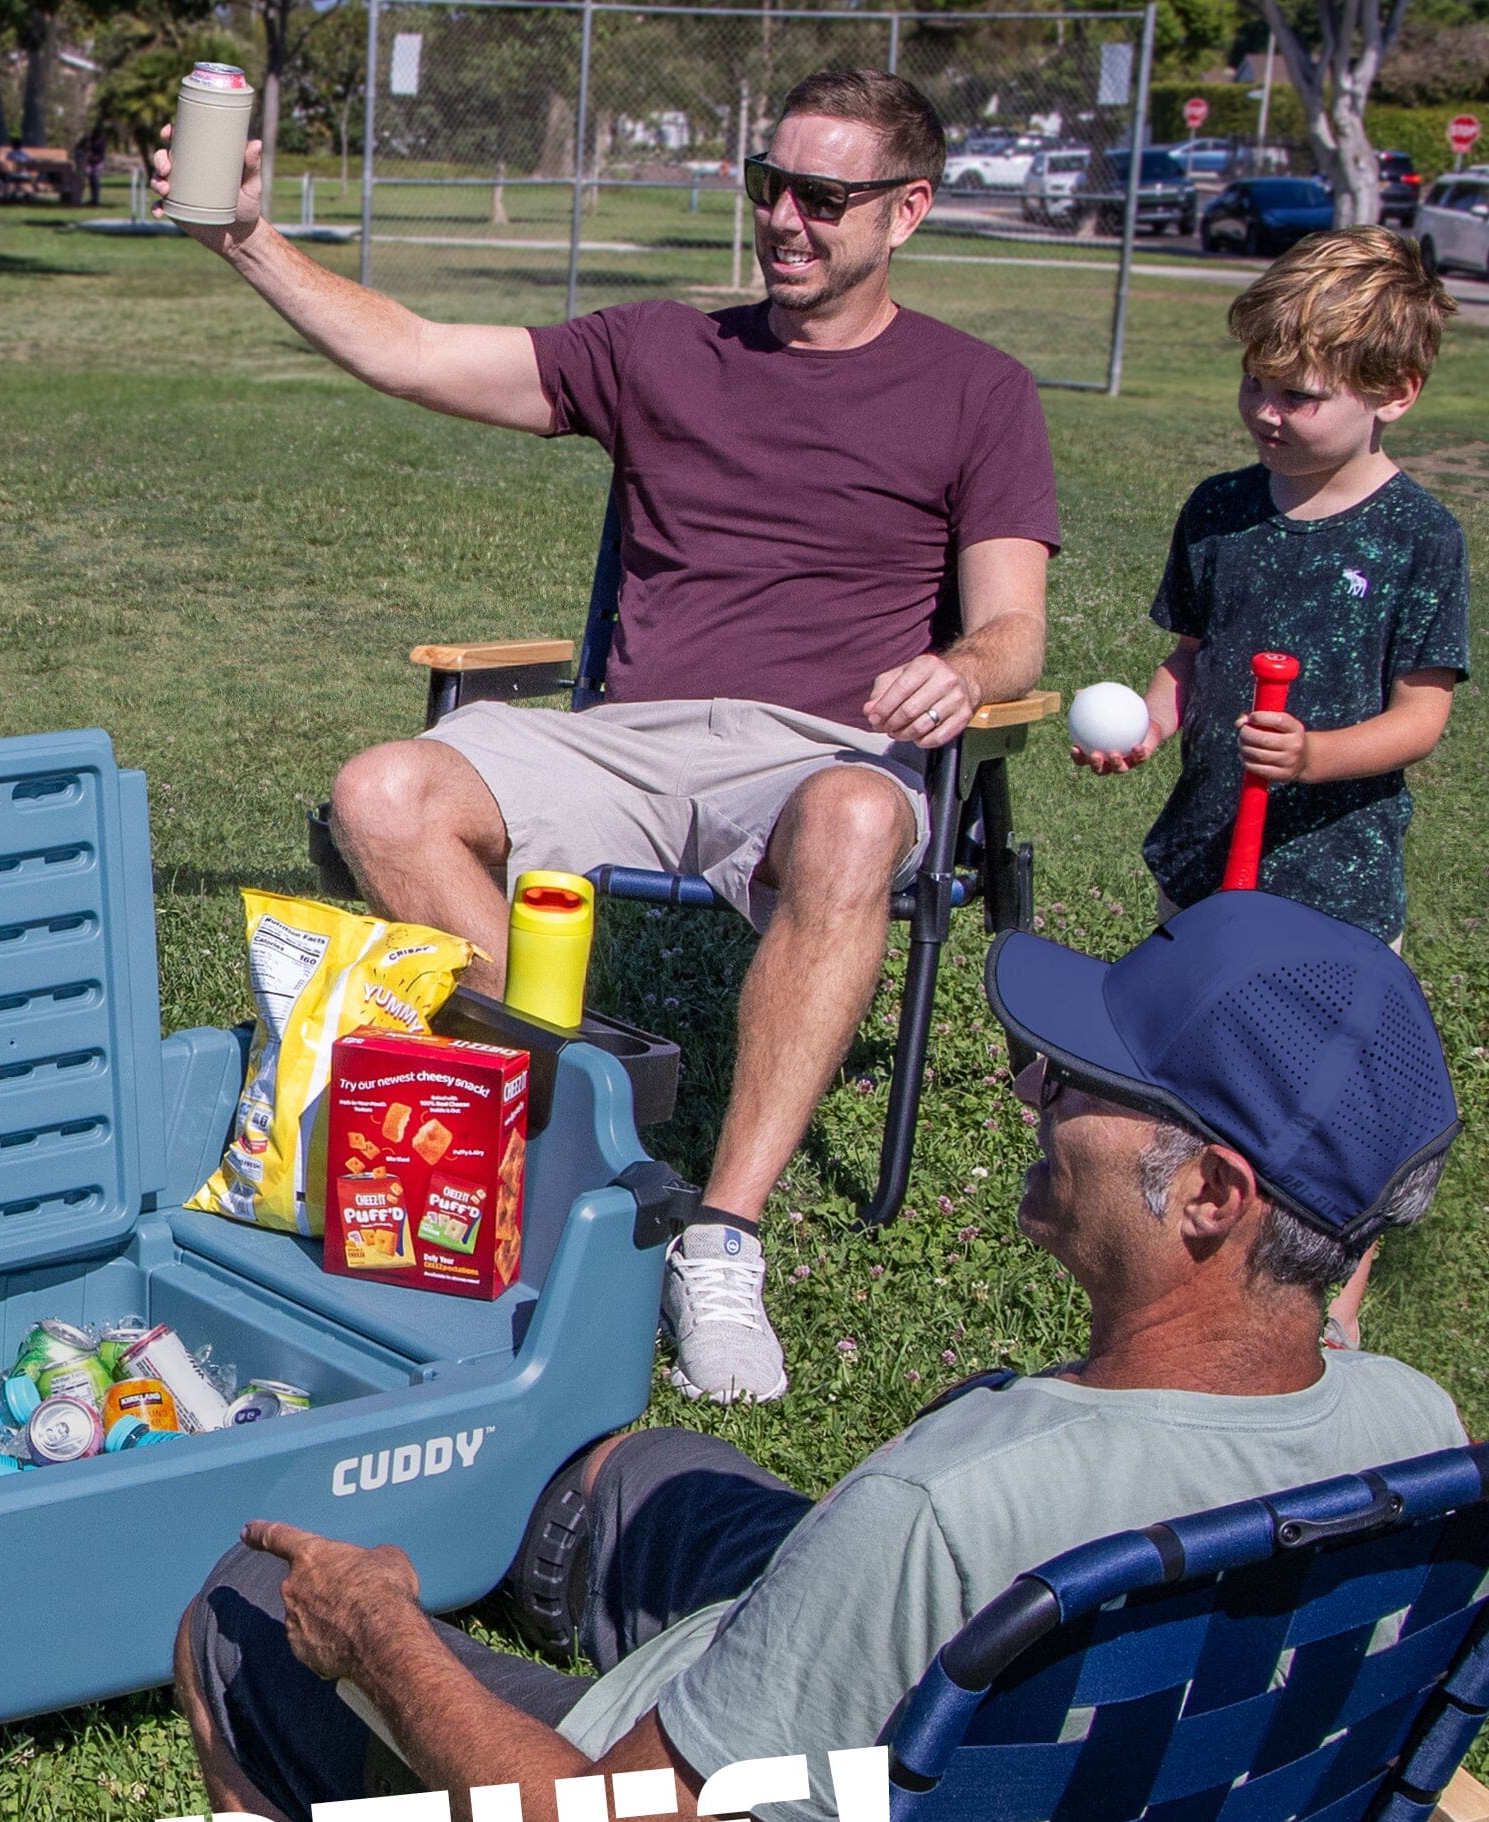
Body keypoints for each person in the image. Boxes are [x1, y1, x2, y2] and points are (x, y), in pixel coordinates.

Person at [176, 891, 1464, 1822]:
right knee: (641, 1481)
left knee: (246, 1611)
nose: (1032, 1094)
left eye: (1078, 1084)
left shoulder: (945, 1513)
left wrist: (381, 1631)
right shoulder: (1418, 1438)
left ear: (1211, 1196)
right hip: (1032, 1777)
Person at [163, 68, 1059, 1405]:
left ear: (907, 213)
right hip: (627, 738)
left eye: (824, 197)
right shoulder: (660, 350)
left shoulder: (977, 391)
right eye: (772, 188)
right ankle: (581, 1127)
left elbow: (1015, 631)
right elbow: (413, 350)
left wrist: (960, 667)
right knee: (384, 790)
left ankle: (724, 1234)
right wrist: (247, 239)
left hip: (821, 748)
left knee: (860, 817)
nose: (786, 222)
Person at [1078, 229, 1463, 949]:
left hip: (1335, 883)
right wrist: (1152, 726)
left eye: (1298, 395)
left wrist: (1312, 757)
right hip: (1207, 857)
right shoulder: (1219, 509)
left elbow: (1420, 720)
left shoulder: (1419, 536)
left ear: (1396, 392)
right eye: (1254, 380)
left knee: (1310, 1054)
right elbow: (1193, 656)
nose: (1264, 410)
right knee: (1187, 1040)